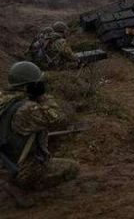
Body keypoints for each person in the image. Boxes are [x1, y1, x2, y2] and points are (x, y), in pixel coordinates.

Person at [0, 61, 79, 207]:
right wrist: (43, 96)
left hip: (5, 160)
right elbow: (59, 118)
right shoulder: (27, 109)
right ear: (28, 86)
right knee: (72, 168)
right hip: (18, 168)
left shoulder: (4, 101)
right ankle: (20, 185)